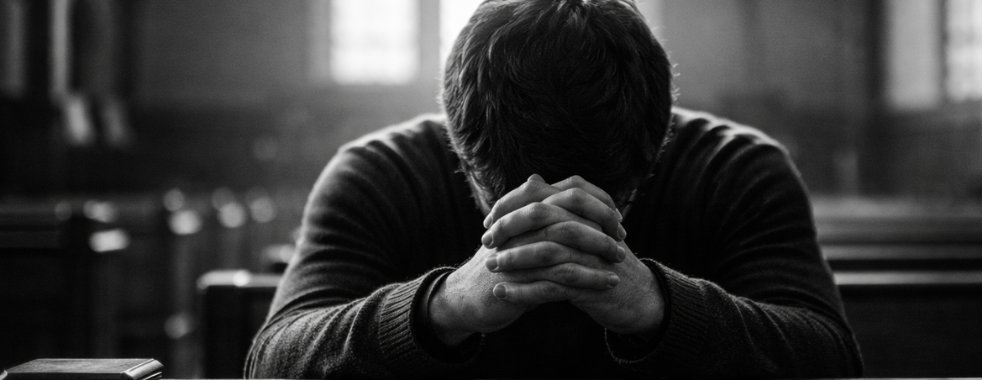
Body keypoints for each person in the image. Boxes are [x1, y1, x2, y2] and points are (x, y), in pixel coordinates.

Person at [246, 0, 862, 377]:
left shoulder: (736, 168)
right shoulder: (378, 171)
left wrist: (658, 306)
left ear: (657, 145)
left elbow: (831, 363)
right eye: (506, 198)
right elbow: (272, 363)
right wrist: (441, 308)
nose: (551, 222)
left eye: (605, 199)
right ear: (457, 146)